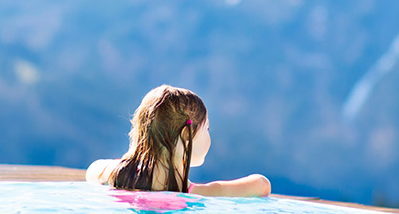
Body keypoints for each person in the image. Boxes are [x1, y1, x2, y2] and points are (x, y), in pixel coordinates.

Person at [86, 84, 271, 198]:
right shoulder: (191, 192)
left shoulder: (117, 175)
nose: (209, 136)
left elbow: (93, 170)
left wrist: (122, 165)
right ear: (186, 136)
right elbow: (262, 185)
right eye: (207, 129)